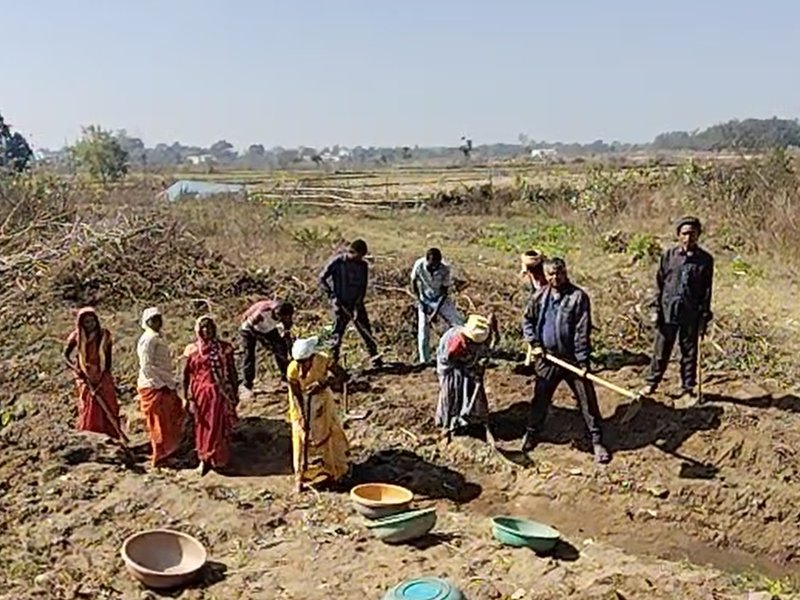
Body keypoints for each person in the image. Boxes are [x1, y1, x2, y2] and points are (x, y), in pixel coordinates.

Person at [521, 258, 610, 464]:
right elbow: (528, 320)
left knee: (587, 399)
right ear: (546, 274)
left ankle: (597, 441)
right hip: (547, 357)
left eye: (559, 273)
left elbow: (582, 331)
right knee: (540, 399)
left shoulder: (578, 297)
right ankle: (531, 434)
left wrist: (582, 361)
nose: (555, 277)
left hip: (572, 360)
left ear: (565, 272)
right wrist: (534, 343)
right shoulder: (540, 297)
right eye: (551, 274)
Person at [642, 216, 714, 400]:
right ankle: (651, 383)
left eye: (692, 233)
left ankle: (688, 387)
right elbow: (659, 283)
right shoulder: (669, 256)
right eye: (684, 233)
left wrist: (704, 316)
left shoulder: (705, 260)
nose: (688, 237)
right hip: (668, 311)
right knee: (661, 350)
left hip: (691, 313)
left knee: (689, 352)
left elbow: (707, 290)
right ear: (678, 235)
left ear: (698, 235)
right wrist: (655, 309)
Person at [286, 336, 350, 492]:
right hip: (300, 406)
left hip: (322, 404)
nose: (302, 366)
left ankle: (333, 471)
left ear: (312, 357)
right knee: (301, 440)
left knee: (328, 435)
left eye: (305, 361)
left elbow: (342, 375)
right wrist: (303, 417)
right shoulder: (292, 369)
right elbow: (296, 395)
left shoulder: (323, 360)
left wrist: (322, 383)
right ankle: (300, 477)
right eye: (299, 362)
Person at [183, 315, 239, 475]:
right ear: (198, 330)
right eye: (203, 327)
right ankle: (204, 459)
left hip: (220, 393)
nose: (206, 330)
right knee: (203, 427)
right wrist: (187, 396)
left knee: (220, 427)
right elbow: (186, 375)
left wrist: (234, 392)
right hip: (201, 394)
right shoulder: (192, 350)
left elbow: (231, 370)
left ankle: (220, 460)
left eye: (209, 327)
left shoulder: (223, 348)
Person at [318, 239, 382, 366]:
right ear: (351, 252)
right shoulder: (338, 262)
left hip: (357, 303)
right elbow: (321, 278)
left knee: (366, 330)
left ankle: (375, 357)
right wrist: (332, 295)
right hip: (340, 304)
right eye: (358, 256)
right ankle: (333, 362)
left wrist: (358, 303)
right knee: (337, 333)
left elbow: (363, 285)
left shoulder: (363, 266)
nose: (360, 259)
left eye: (362, 256)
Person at [137, 307, 185, 467]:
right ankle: (161, 456)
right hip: (154, 386)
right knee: (159, 422)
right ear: (147, 322)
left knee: (171, 417)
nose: (157, 322)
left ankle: (169, 451)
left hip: (164, 383)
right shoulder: (148, 339)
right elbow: (146, 365)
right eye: (153, 320)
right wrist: (160, 383)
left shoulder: (157, 337)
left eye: (159, 318)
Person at [64, 307, 122, 440]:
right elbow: (65, 356)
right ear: (81, 323)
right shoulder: (76, 337)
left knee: (109, 404)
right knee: (90, 406)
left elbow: (108, 358)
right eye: (87, 322)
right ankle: (92, 435)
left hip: (102, 374)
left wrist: (105, 376)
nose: (90, 325)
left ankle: (113, 435)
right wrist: (77, 369)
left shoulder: (104, 335)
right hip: (84, 376)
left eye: (92, 321)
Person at [435, 314, 496, 438]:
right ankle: (448, 424)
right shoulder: (456, 342)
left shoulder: (482, 332)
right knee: (452, 393)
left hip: (467, 364)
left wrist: (480, 362)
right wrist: (471, 368)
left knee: (471, 390)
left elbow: (488, 344)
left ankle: (470, 418)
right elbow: (452, 360)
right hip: (451, 367)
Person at [410, 248, 465, 364]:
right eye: (433, 264)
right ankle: (424, 361)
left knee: (458, 323)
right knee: (423, 332)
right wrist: (419, 301)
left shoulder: (444, 268)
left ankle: (462, 353)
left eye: (437, 264)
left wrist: (435, 312)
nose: (435, 267)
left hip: (440, 300)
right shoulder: (419, 265)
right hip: (424, 300)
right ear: (427, 260)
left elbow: (444, 291)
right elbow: (413, 282)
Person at [238, 300, 294, 397]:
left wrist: (289, 348)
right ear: (276, 312)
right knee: (249, 355)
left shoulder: (286, 314)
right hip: (249, 329)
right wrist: (264, 342)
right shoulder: (261, 313)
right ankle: (247, 385)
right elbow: (248, 326)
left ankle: (285, 379)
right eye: (280, 317)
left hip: (268, 328)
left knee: (281, 349)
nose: (282, 319)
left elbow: (287, 332)